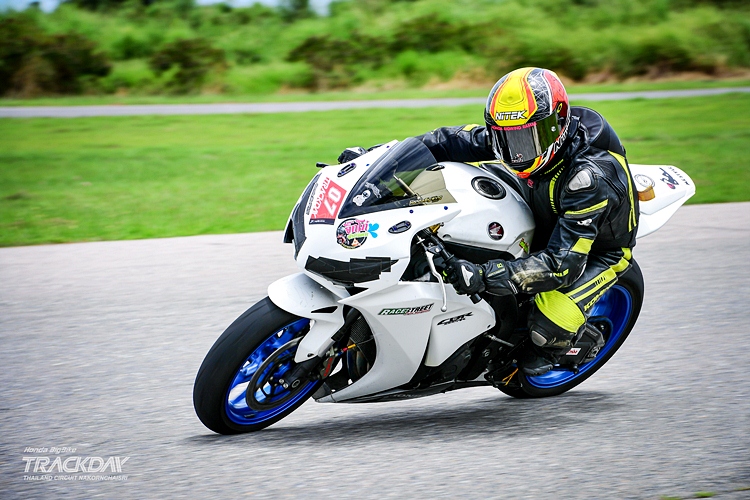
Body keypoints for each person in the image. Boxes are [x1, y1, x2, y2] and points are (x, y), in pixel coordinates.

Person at [339, 67, 639, 376]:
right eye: (505, 139)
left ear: (557, 125)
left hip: (595, 251)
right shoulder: (517, 133)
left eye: (525, 140)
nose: (515, 152)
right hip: (536, 199)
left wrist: (483, 274)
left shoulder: (589, 179)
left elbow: (563, 264)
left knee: (544, 331)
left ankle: (565, 347)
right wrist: (378, 161)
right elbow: (443, 142)